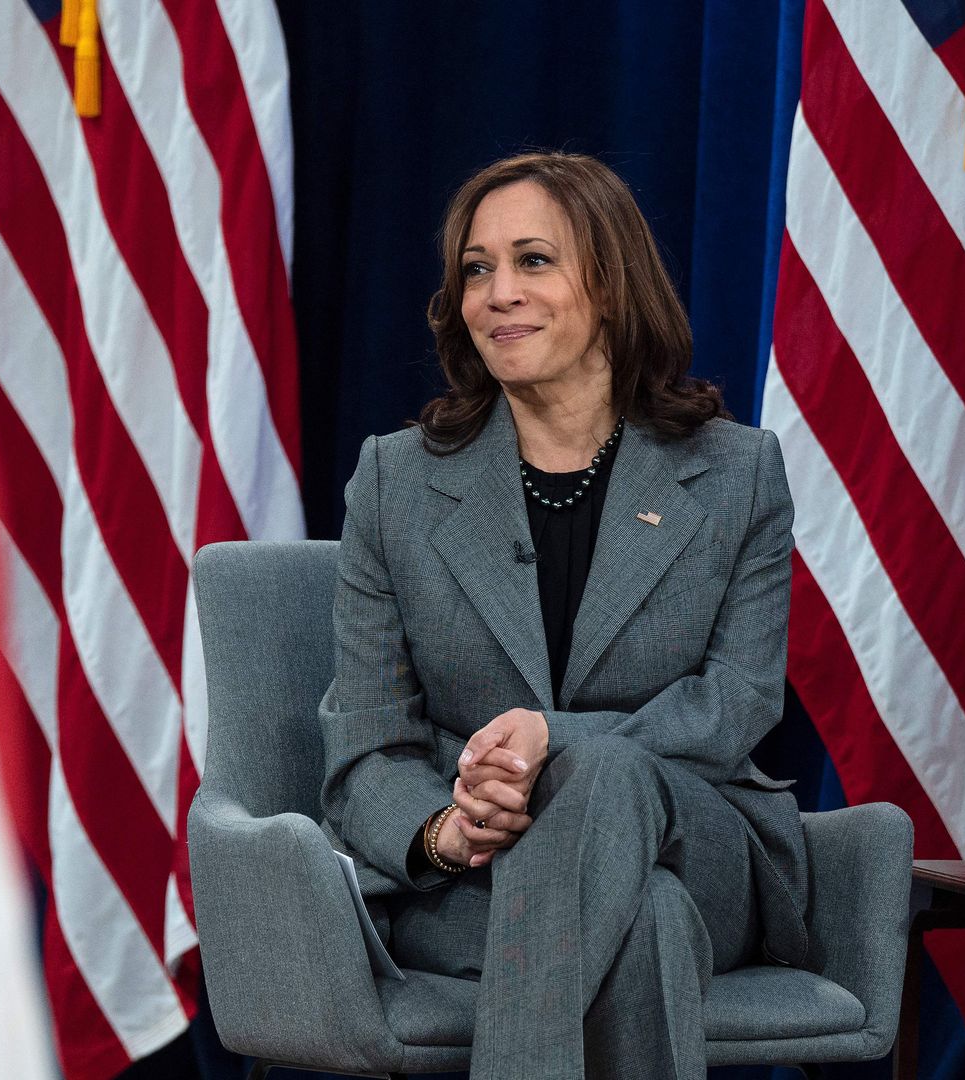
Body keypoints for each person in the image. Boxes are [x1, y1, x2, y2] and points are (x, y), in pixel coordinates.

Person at [318, 151, 806, 1080]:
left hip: (700, 841)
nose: (499, 292)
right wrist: (442, 832)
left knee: (610, 776)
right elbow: (367, 744)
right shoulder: (397, 482)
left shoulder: (737, 473)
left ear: (612, 285)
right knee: (647, 921)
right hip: (478, 874)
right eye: (476, 268)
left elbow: (737, 703)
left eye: (533, 260)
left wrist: (556, 741)